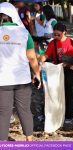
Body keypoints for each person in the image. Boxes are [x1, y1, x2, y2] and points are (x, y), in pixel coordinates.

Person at [0, 2, 41, 141]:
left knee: (3, 113)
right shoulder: (24, 33)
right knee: (24, 110)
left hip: (2, 80)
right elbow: (32, 57)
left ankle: (3, 144)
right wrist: (37, 74)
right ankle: (30, 141)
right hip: (22, 80)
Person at [40, 22, 73, 122]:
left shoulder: (70, 42)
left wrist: (66, 64)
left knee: (68, 92)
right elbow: (46, 55)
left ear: (64, 32)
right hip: (56, 70)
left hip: (68, 70)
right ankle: (50, 114)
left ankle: (69, 115)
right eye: (54, 34)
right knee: (52, 91)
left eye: (58, 35)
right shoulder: (53, 43)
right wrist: (41, 60)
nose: (56, 36)